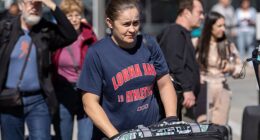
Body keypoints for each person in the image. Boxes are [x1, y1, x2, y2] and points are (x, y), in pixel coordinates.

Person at [77, 0, 177, 139]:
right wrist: (116, 136)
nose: (132, 29)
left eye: (136, 23)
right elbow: (89, 102)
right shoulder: (97, 53)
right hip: (114, 134)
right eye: (126, 24)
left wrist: (171, 119)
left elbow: (165, 83)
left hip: (152, 133)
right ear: (110, 23)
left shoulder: (149, 44)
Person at [0, 0, 77, 139]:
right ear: (21, 5)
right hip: (8, 100)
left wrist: (51, 5)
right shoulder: (7, 28)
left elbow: (70, 35)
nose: (34, 8)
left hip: (38, 101)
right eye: (30, 3)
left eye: (38, 4)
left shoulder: (45, 30)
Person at [52, 0, 97, 140]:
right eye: (69, 15)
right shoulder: (56, 36)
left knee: (86, 136)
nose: (74, 19)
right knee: (63, 136)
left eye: (77, 15)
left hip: (85, 91)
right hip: (63, 91)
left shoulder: (89, 35)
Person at [157, 0, 204, 120]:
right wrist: (187, 89)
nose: (202, 17)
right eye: (199, 12)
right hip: (179, 100)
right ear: (187, 12)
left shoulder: (183, 33)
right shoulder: (174, 32)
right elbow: (174, 63)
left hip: (185, 100)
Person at [195, 12, 242, 125]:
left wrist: (230, 68)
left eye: (224, 25)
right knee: (203, 127)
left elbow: (240, 69)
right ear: (210, 26)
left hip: (222, 88)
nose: (223, 29)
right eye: (219, 26)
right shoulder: (198, 43)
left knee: (220, 129)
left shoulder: (228, 45)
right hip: (204, 88)